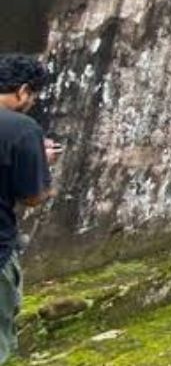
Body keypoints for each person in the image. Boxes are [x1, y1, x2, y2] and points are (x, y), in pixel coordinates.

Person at [0, 54, 59, 363]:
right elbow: (33, 197)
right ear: (23, 90)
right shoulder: (22, 129)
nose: (32, 102)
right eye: (33, 95)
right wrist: (41, 160)